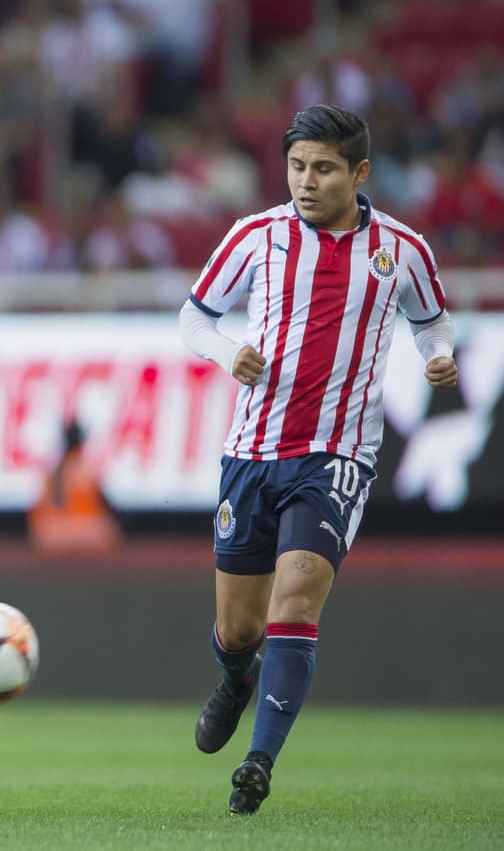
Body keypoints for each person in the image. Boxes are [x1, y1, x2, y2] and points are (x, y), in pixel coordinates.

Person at [178, 104, 458, 815]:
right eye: (298, 167)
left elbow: (432, 322)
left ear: (359, 173)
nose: (306, 181)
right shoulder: (257, 237)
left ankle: (259, 762)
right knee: (240, 628)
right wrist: (225, 352)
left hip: (337, 456)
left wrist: (441, 357)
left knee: (295, 602)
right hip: (252, 452)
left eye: (324, 169)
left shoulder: (403, 251)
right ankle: (236, 677)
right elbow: (195, 316)